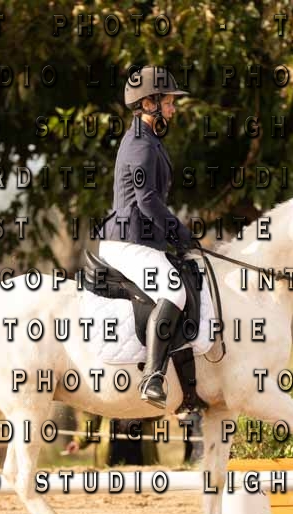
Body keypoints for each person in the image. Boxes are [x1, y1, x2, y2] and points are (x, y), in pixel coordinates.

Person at [99, 65, 194, 409]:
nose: (173, 109)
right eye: (168, 102)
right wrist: (180, 233)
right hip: (129, 241)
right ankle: (152, 376)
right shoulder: (140, 144)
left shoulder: (149, 139)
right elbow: (147, 201)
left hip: (142, 239)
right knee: (174, 291)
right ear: (149, 103)